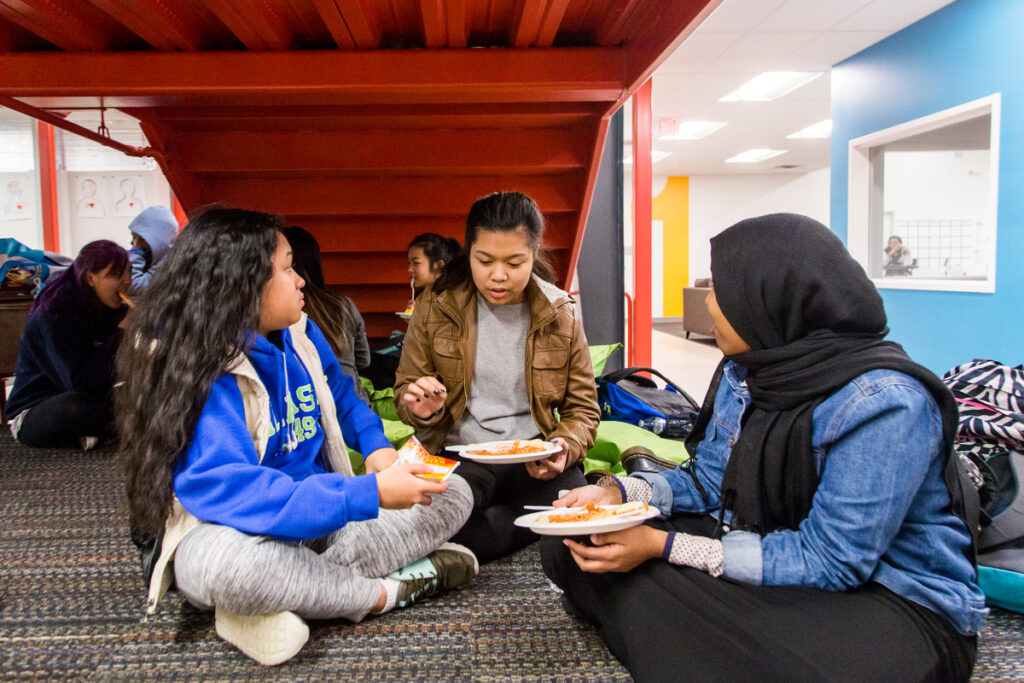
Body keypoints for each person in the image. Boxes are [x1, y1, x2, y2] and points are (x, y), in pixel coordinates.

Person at [541, 213, 986, 682]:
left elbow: (832, 561)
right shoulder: (749, 370)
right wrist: (618, 493)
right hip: (765, 539)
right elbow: (708, 481)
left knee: (776, 660)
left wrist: (662, 547)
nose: (710, 304)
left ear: (772, 301)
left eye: (722, 289)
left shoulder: (886, 403)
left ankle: (663, 621)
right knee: (573, 542)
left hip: (891, 597)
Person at [117, 208, 476, 667]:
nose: (301, 281)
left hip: (324, 526)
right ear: (241, 285)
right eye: (287, 269)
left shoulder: (300, 333)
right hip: (240, 534)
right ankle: (384, 592)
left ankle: (278, 602)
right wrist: (367, 494)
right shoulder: (204, 369)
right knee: (235, 569)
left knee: (454, 491)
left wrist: (378, 449)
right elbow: (228, 490)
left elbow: (343, 393)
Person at [394, 192, 600, 564]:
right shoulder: (435, 305)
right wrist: (421, 407)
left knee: (582, 507)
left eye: (514, 262)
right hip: (461, 456)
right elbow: (405, 389)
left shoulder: (561, 312)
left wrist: (564, 448)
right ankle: (527, 524)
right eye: (485, 260)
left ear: (534, 254)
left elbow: (583, 411)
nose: (498, 275)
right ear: (468, 252)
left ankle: (498, 527)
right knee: (429, 514)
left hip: (534, 459)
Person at [7, 239, 130, 450]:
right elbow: (80, 381)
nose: (127, 281)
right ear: (91, 277)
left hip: (92, 398)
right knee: (75, 407)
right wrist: (121, 335)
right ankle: (105, 432)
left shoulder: (110, 307)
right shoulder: (56, 313)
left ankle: (95, 435)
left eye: (129, 272)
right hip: (38, 410)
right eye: (117, 275)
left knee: (147, 396)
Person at [282, 226, 371, 403]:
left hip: (312, 413)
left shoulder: (282, 315)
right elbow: (363, 360)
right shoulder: (342, 305)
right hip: (353, 403)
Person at [127, 206, 178, 293]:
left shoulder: (170, 260)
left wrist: (136, 250)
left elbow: (133, 285)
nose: (133, 243)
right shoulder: (151, 254)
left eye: (137, 238)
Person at [406, 232, 460, 311]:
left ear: (438, 265)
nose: (409, 269)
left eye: (416, 263)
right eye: (409, 263)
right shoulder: (419, 297)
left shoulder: (455, 299)